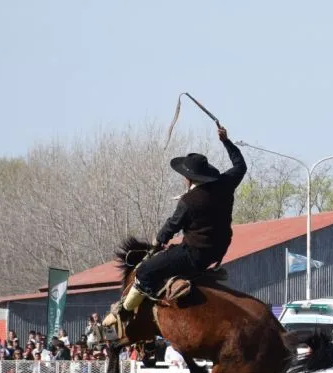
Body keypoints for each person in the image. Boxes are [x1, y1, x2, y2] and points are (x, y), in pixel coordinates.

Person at [104, 125, 247, 326]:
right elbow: (240, 166)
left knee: (144, 271)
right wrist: (226, 141)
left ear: (190, 178)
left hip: (194, 254)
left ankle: (125, 313)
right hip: (218, 250)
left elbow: (171, 227)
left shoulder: (189, 201)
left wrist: (157, 243)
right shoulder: (225, 183)